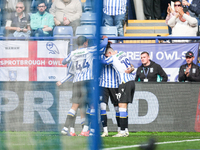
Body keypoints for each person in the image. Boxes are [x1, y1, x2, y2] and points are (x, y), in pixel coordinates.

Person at [58, 36, 108, 136]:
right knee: (92, 105)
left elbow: (63, 61)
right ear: (86, 42)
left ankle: (64, 128)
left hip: (76, 82)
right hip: (87, 81)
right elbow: (103, 45)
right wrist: (105, 38)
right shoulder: (89, 50)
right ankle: (88, 130)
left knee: (74, 106)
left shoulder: (73, 53)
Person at [99, 42, 135, 137]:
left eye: (106, 55)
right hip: (131, 81)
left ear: (109, 54)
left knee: (121, 107)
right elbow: (131, 65)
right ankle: (125, 130)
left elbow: (101, 62)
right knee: (122, 106)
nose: (106, 57)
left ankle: (122, 131)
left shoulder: (112, 58)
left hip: (124, 82)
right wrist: (132, 68)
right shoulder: (122, 53)